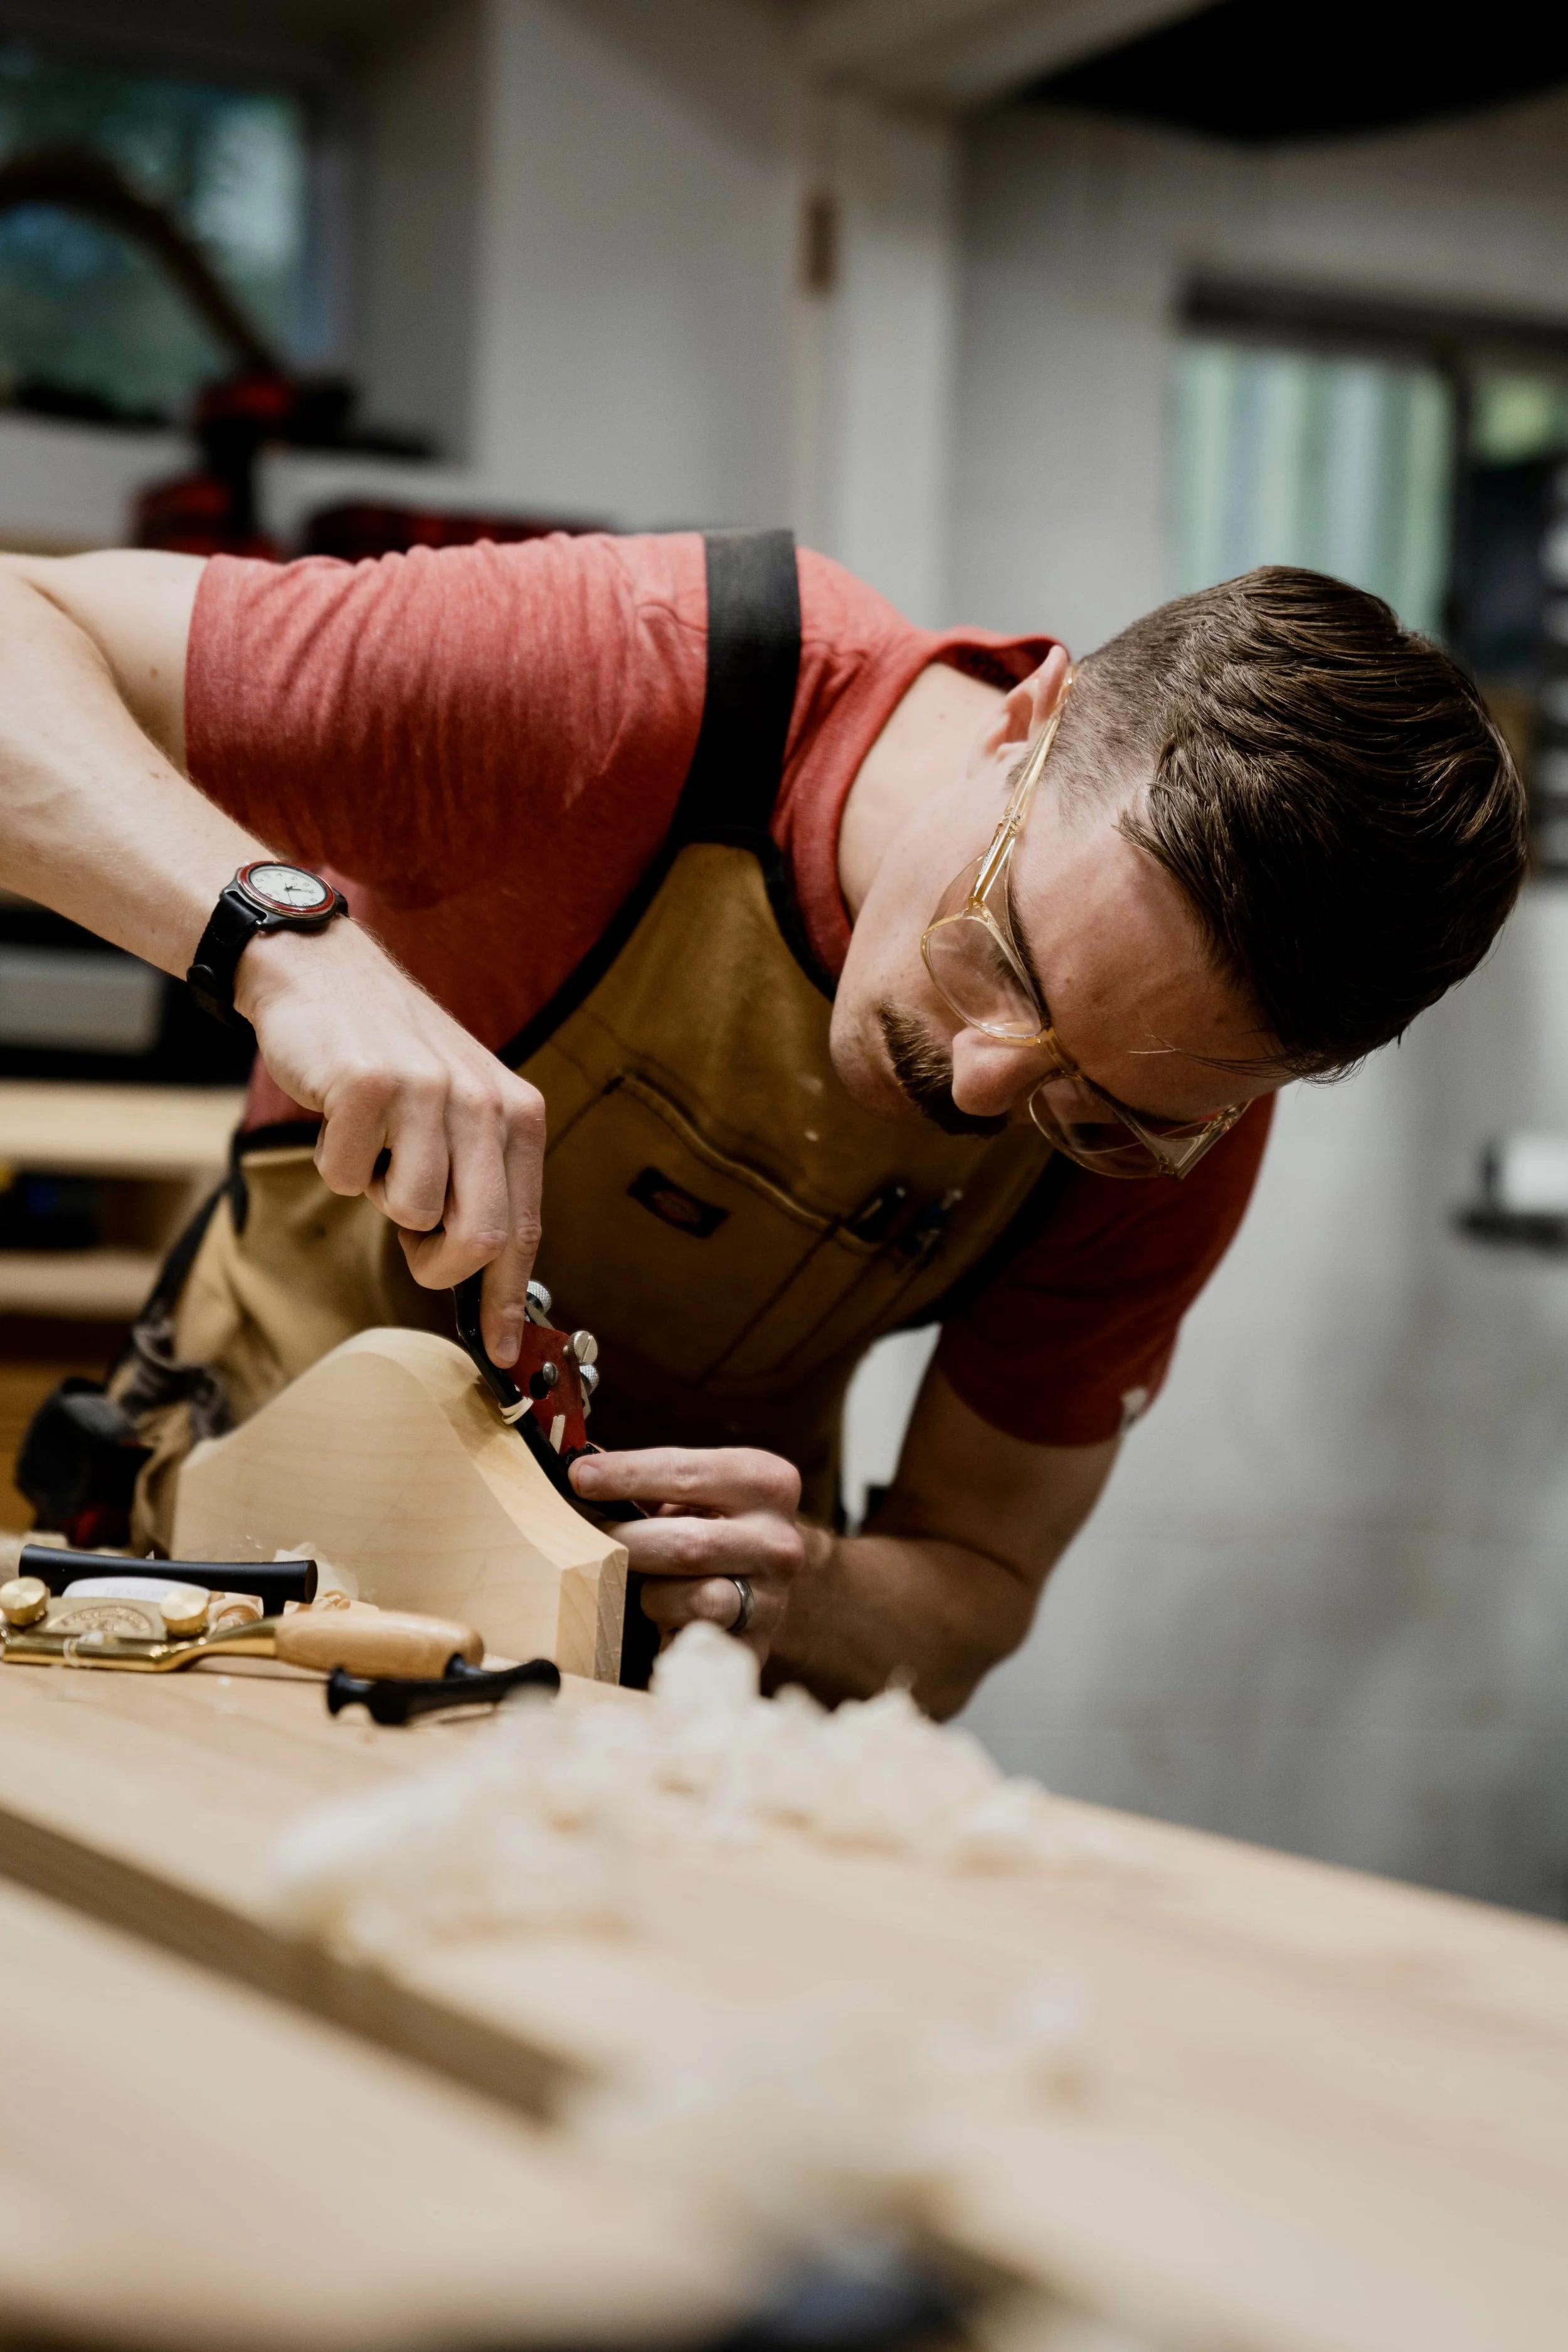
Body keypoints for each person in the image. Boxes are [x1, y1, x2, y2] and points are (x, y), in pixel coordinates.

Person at [0, 531, 1525, 1712]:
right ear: (1029, 719)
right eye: (1006, 960)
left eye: (1099, 1105)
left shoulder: (1182, 1112)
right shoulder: (637, 678)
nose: (989, 1088)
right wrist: (285, 947)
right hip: (205, 1577)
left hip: (626, 1717)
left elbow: (977, 1582)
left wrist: (813, 1593)